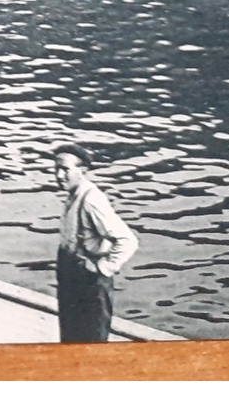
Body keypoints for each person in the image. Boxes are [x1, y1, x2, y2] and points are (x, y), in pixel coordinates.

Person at [53, 142, 138, 343]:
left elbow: (127, 241)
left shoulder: (91, 200)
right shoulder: (73, 196)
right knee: (70, 341)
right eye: (56, 169)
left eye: (65, 169)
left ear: (82, 171)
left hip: (90, 285)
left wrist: (102, 267)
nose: (58, 176)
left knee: (91, 343)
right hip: (71, 279)